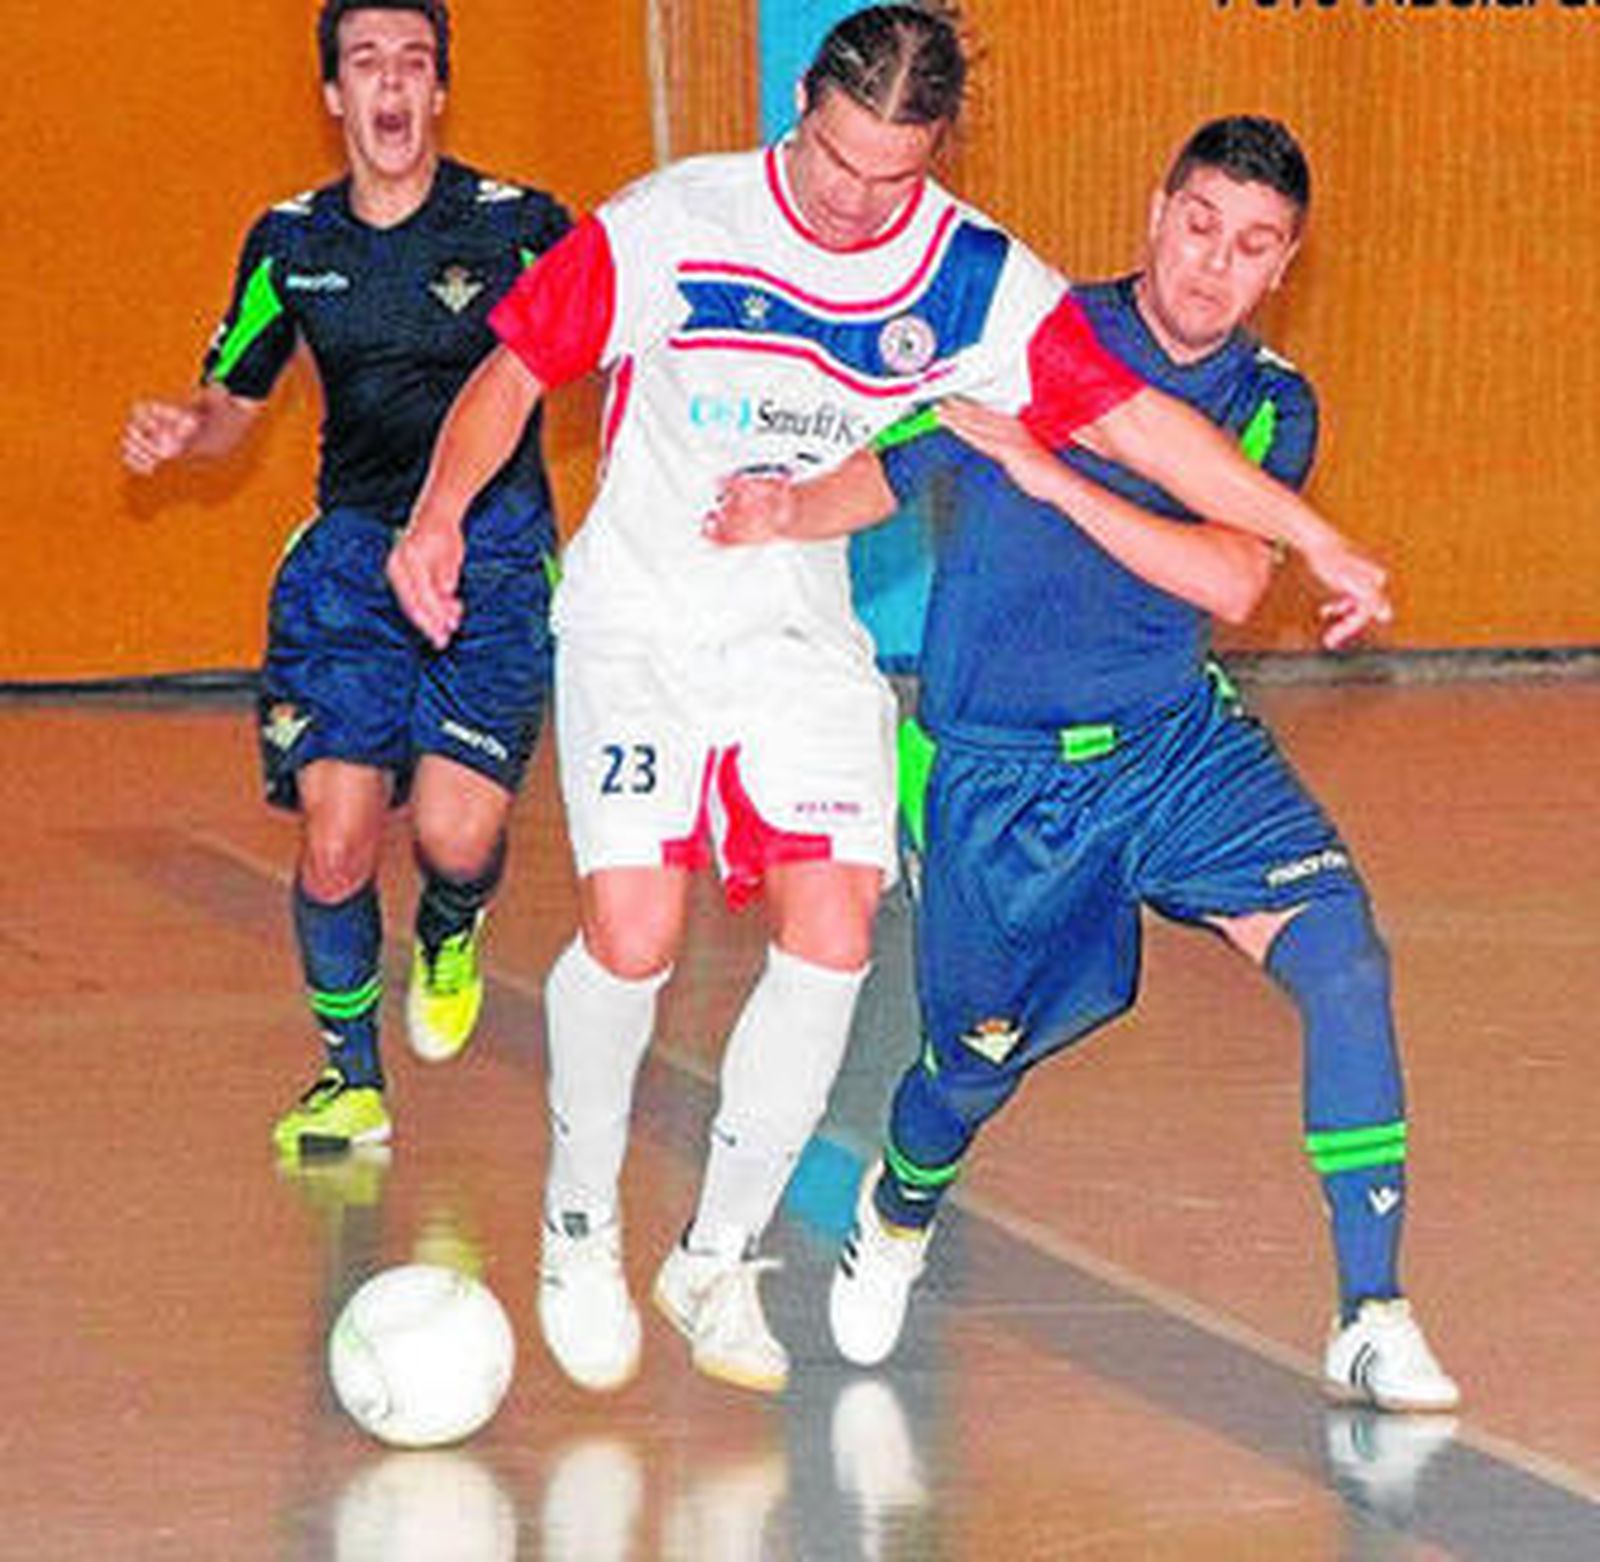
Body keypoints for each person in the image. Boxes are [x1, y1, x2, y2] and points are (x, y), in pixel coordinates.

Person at [389, 7, 1390, 1399]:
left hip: (799, 626)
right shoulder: (674, 221)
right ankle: (577, 1223)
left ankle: (716, 1252)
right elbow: (513, 370)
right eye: (835, 159)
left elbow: (1143, 426)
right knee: (634, 930)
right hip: (642, 618)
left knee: (838, 929)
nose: (855, 201)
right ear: (802, 104)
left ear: (940, 151)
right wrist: (439, 512)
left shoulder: (976, 277)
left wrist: (1316, 535)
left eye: (893, 174)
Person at [714, 115, 1458, 1413]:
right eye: (1200, 225)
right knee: (971, 1067)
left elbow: (1229, 577)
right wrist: (785, 507)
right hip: (1000, 783)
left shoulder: (1272, 401)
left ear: (1284, 264)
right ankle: (901, 1206)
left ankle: (1371, 1310)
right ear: (1156, 211)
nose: (1214, 264)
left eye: (1253, 245)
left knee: (1343, 958)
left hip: (1174, 745)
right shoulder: (1034, 340)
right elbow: (883, 475)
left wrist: (1052, 480)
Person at [121, 0, 571, 1159]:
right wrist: (187, 428)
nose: (391, 85)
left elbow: (614, 353)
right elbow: (234, 400)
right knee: (335, 838)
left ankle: (452, 920)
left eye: (413, 64)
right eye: (366, 64)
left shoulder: (520, 226)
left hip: (491, 559)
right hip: (350, 568)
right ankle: (349, 1077)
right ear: (334, 95)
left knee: (455, 840)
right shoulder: (289, 243)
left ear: (439, 90)